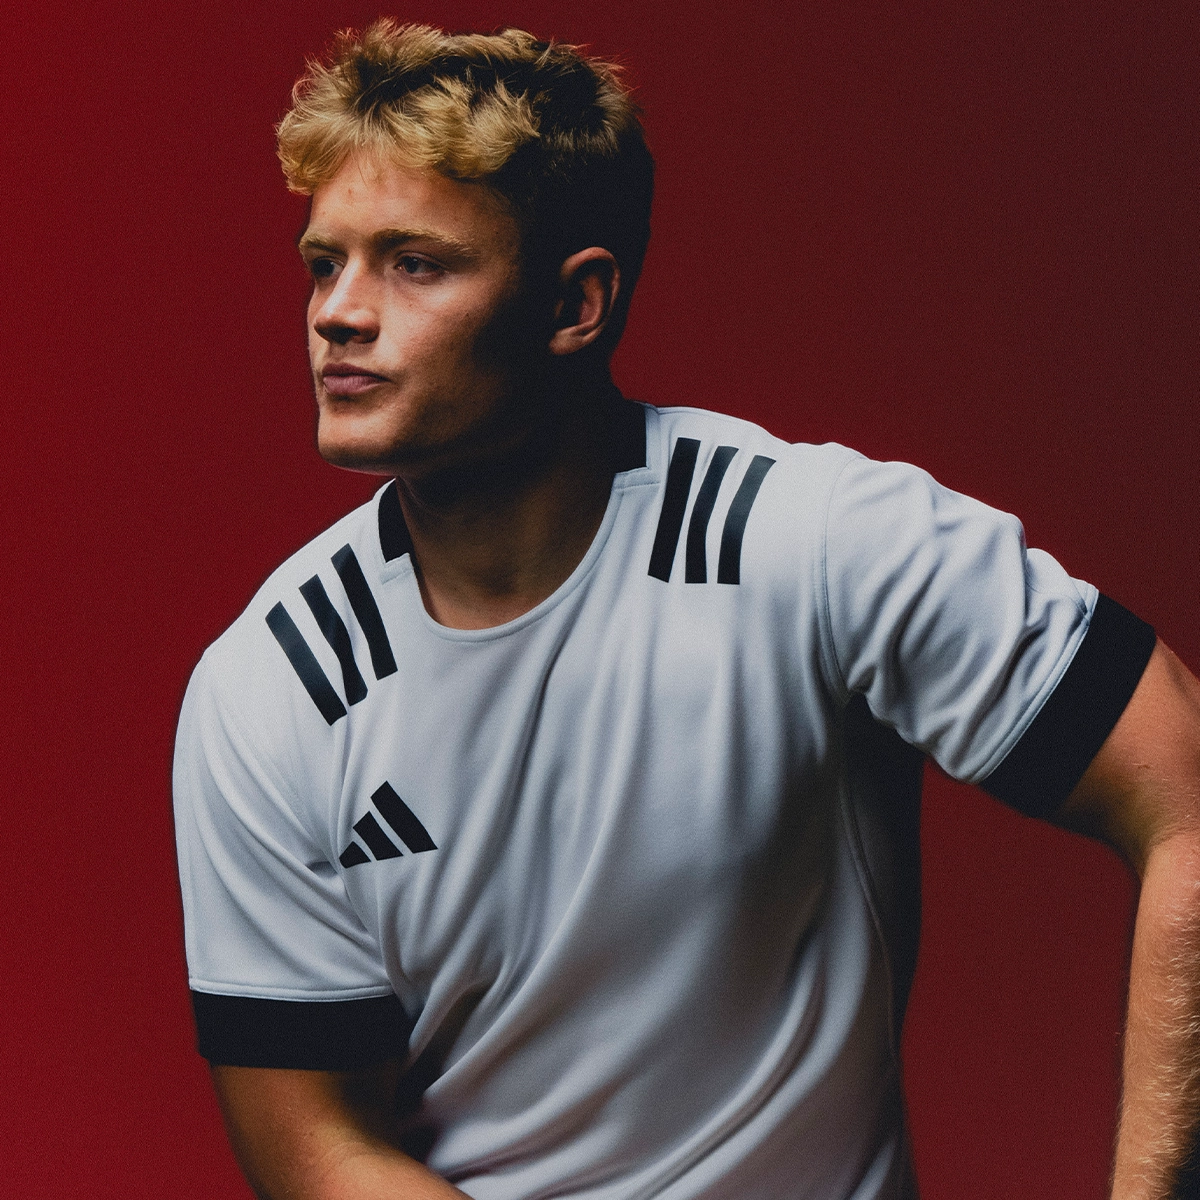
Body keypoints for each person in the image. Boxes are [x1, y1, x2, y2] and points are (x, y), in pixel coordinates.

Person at [172, 20, 1200, 1200]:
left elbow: (1185, 788)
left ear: (577, 305)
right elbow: (316, 1145)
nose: (336, 314)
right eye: (323, 261)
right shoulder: (270, 688)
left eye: (415, 262)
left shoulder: (817, 544)